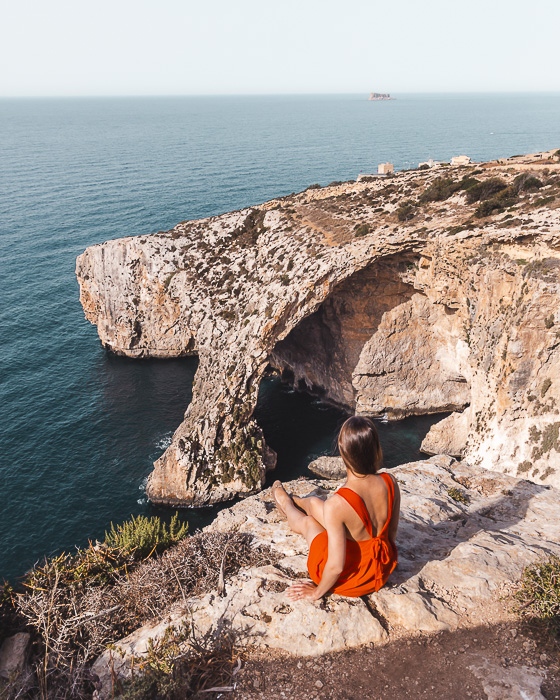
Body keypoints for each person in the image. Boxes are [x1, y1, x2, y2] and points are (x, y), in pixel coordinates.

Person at [272, 415, 400, 601]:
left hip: (352, 577)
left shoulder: (337, 503)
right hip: (382, 566)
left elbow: (336, 567)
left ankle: (287, 504)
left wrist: (316, 592)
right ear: (376, 448)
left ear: (343, 452)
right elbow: (392, 531)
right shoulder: (390, 482)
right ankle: (300, 500)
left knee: (308, 523)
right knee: (316, 503)